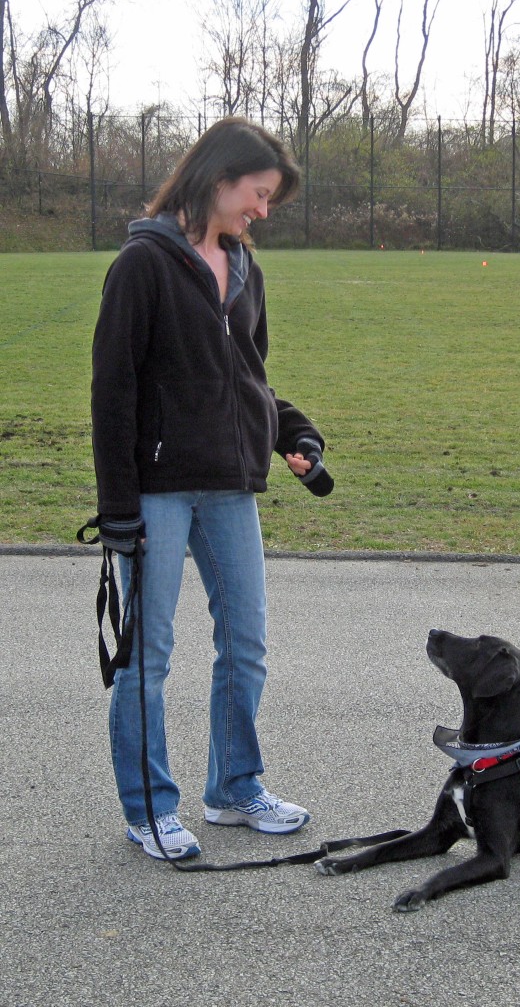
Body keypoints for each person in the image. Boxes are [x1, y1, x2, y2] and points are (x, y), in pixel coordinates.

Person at [89, 117, 332, 861]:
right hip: (158, 491)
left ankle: (232, 788)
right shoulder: (144, 264)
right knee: (147, 658)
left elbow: (248, 377)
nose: (262, 211)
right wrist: (118, 512)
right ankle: (149, 810)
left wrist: (293, 432)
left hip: (232, 485)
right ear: (219, 178)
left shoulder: (244, 269)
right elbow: (113, 391)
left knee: (247, 645)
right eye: (258, 195)